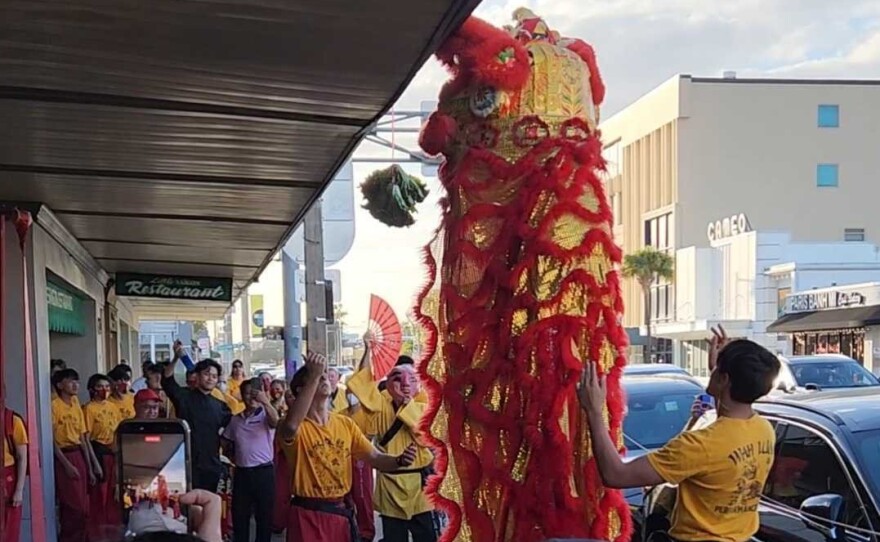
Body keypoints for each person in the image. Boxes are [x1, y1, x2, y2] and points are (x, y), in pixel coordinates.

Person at [577, 327, 780, 542]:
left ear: (724, 379)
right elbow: (728, 408)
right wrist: (720, 372)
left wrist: (594, 411)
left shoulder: (701, 445)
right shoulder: (764, 430)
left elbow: (616, 474)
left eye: (717, 369)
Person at [279, 352, 418, 542]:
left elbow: (375, 458)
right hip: (307, 515)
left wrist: (398, 461)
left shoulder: (345, 424)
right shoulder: (293, 425)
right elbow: (290, 427)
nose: (324, 378)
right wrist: (313, 374)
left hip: (338, 513)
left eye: (325, 374)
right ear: (302, 390)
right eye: (318, 377)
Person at [347, 342, 437, 542]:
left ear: (418, 385)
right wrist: (368, 350)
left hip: (420, 486)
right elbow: (363, 384)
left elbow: (427, 437)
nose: (405, 384)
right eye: (397, 378)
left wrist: (408, 406)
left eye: (411, 380)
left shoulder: (425, 406)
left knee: (427, 537)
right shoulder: (380, 406)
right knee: (394, 538)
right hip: (390, 485)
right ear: (387, 383)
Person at [162, 344, 232, 492]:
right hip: (185, 462)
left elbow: (231, 432)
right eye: (206, 374)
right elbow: (167, 380)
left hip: (211, 463)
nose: (210, 379)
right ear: (197, 376)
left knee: (208, 504)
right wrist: (176, 357)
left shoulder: (221, 406)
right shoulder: (184, 397)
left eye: (214, 376)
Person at [221, 378, 279, 542]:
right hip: (242, 473)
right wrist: (232, 456)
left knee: (264, 517)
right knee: (240, 516)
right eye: (247, 393)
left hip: (263, 472)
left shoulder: (265, 416)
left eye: (254, 393)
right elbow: (225, 440)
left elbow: (275, 422)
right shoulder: (235, 420)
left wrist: (265, 402)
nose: (250, 397)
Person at [52, 368, 99, 542]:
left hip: (79, 453)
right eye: (70, 381)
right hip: (64, 455)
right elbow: (51, 440)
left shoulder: (76, 403)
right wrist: (66, 464)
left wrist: (90, 467)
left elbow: (82, 438)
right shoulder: (54, 406)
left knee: (85, 507)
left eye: (77, 381)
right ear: (59, 384)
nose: (75, 384)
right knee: (73, 507)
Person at [84, 374, 124, 540]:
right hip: (98, 452)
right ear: (92, 389)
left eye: (107, 386)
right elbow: (86, 438)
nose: (105, 390)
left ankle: (112, 532)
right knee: (98, 496)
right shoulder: (88, 408)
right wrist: (94, 464)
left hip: (113, 452)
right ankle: (97, 534)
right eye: (100, 386)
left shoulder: (113, 407)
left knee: (113, 495)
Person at [2, 406, 28, 542]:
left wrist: (19, 490)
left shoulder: (12, 420)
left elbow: (22, 457)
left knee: (9, 529)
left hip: (7, 479)